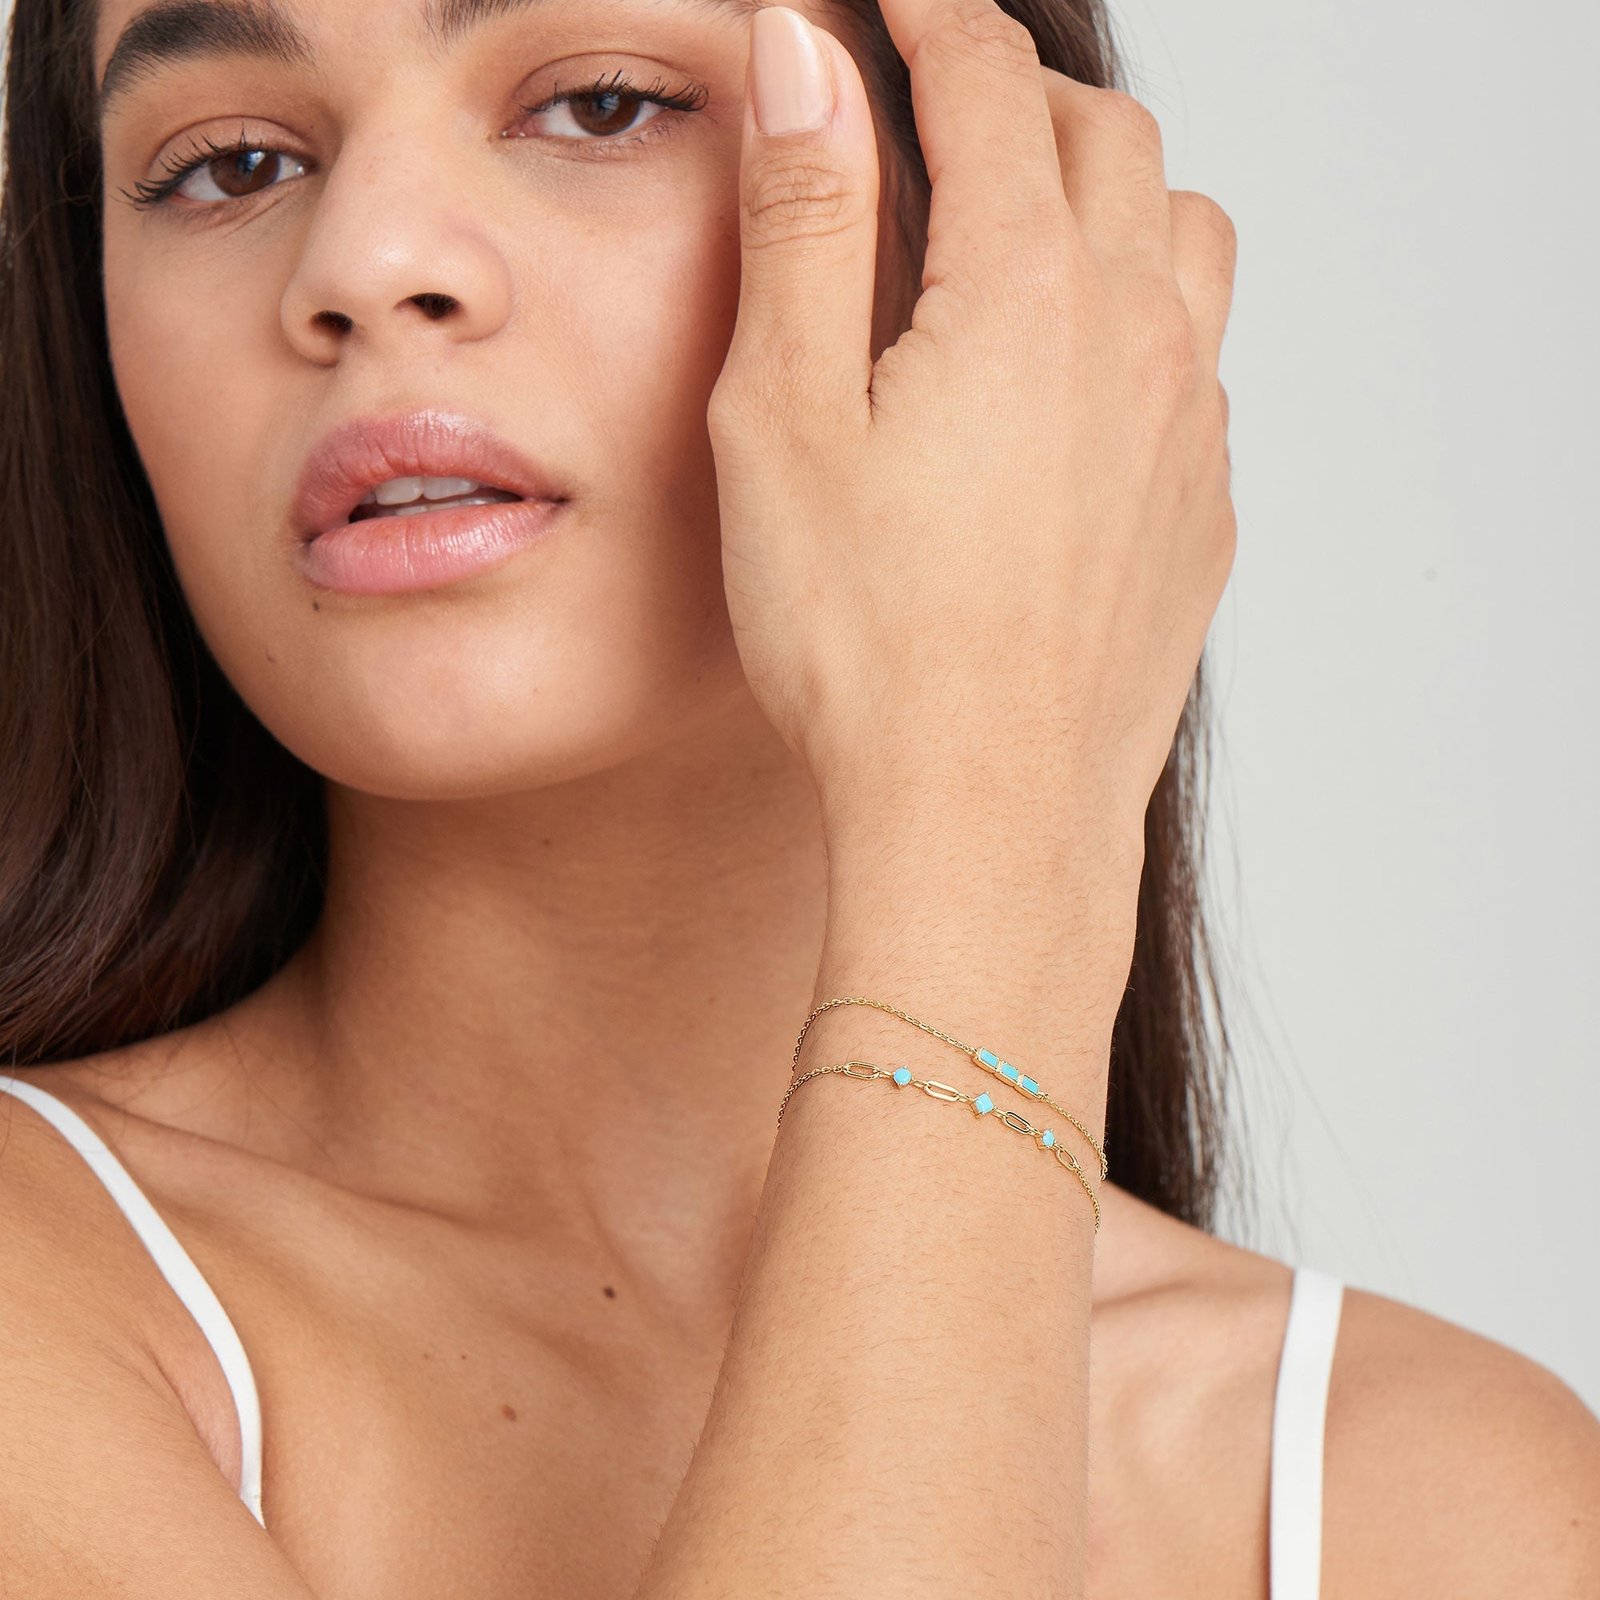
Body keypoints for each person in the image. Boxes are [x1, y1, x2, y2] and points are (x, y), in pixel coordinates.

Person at [0, 0, 1596, 1593]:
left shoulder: (1437, 1508)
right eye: (231, 165)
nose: (362, 259)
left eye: (604, 105)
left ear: (990, 230)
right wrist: (998, 838)